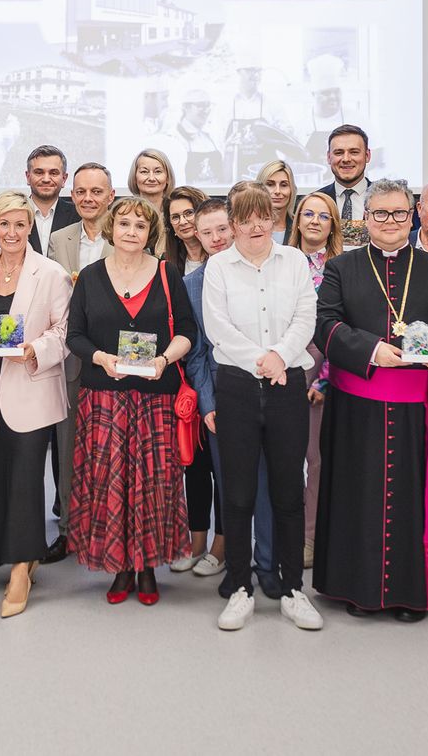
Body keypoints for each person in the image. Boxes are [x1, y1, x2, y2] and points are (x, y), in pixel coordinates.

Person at [312, 179, 428, 622]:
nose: (390, 221)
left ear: (412, 215)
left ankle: (411, 593)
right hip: (356, 407)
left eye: (399, 213)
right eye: (380, 213)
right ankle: (357, 587)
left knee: (411, 499)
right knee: (358, 495)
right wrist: (370, 350)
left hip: (416, 409)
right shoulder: (341, 267)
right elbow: (325, 323)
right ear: (366, 218)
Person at [66, 197, 196, 605]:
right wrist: (101, 359)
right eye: (124, 224)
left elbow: (187, 332)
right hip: (104, 398)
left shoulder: (167, 273)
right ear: (112, 228)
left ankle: (148, 566)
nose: (131, 232)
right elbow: (74, 336)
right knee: (109, 482)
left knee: (153, 483)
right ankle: (120, 566)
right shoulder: (90, 276)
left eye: (140, 226)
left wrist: (163, 360)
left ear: (150, 233)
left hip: (156, 399)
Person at [204, 182, 322, 631]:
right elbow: (218, 327)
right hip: (236, 386)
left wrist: (280, 357)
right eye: (245, 219)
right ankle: (240, 587)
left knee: (288, 491)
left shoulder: (293, 261)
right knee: (238, 494)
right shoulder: (218, 266)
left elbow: (305, 318)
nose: (256, 227)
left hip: (286, 386)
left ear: (275, 220)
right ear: (232, 224)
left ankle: (293, 589)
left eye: (263, 218)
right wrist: (263, 360)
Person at [0, 192, 72, 616]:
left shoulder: (51, 273)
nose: (12, 232)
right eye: (4, 224)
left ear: (31, 227)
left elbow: (65, 330)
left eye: (20, 224)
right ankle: (6, 549)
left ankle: (21, 570)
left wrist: (34, 350)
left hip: (33, 389)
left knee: (26, 481)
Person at [44, 161, 116, 561]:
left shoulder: (127, 233)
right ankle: (69, 529)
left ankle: (109, 526)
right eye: (82, 192)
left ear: (111, 196)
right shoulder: (60, 238)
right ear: (73, 196)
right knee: (68, 447)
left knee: (112, 449)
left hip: (114, 358)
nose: (89, 199)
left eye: (97, 192)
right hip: (72, 356)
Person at [287, 191, 343, 568]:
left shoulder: (344, 266)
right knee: (283, 456)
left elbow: (346, 325)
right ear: (298, 220)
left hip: (324, 366)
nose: (314, 221)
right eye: (308, 214)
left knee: (315, 458)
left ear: (333, 225)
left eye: (324, 216)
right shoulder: (281, 261)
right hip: (285, 363)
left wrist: (323, 379)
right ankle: (283, 531)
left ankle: (309, 537)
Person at [179, 199, 233, 580]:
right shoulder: (191, 284)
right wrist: (207, 402)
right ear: (196, 235)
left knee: (228, 472)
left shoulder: (253, 273)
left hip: (246, 387)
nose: (216, 238)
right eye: (207, 232)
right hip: (205, 390)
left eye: (222, 229)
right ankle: (196, 540)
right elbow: (196, 351)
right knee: (197, 467)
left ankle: (223, 544)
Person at [24, 145, 78, 256]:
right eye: (39, 172)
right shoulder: (14, 213)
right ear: (28, 177)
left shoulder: (77, 215)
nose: (46, 179)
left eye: (53, 173)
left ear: (64, 179)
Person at [316, 124, 372, 222]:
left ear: (367, 156)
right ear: (328, 157)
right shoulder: (316, 200)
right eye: (339, 153)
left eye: (354, 152)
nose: (346, 159)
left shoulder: (386, 197)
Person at [164, 186, 210, 275]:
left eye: (189, 213)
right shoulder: (167, 265)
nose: (182, 222)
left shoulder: (221, 255)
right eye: (175, 217)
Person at [256, 160, 298, 244]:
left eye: (284, 185)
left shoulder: (300, 227)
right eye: (270, 184)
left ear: (292, 190)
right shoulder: (245, 226)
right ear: (258, 188)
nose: (277, 191)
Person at [127, 148, 175, 219]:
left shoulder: (176, 212)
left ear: (168, 177)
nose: (151, 178)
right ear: (134, 177)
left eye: (158, 171)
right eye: (144, 172)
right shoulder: (124, 213)